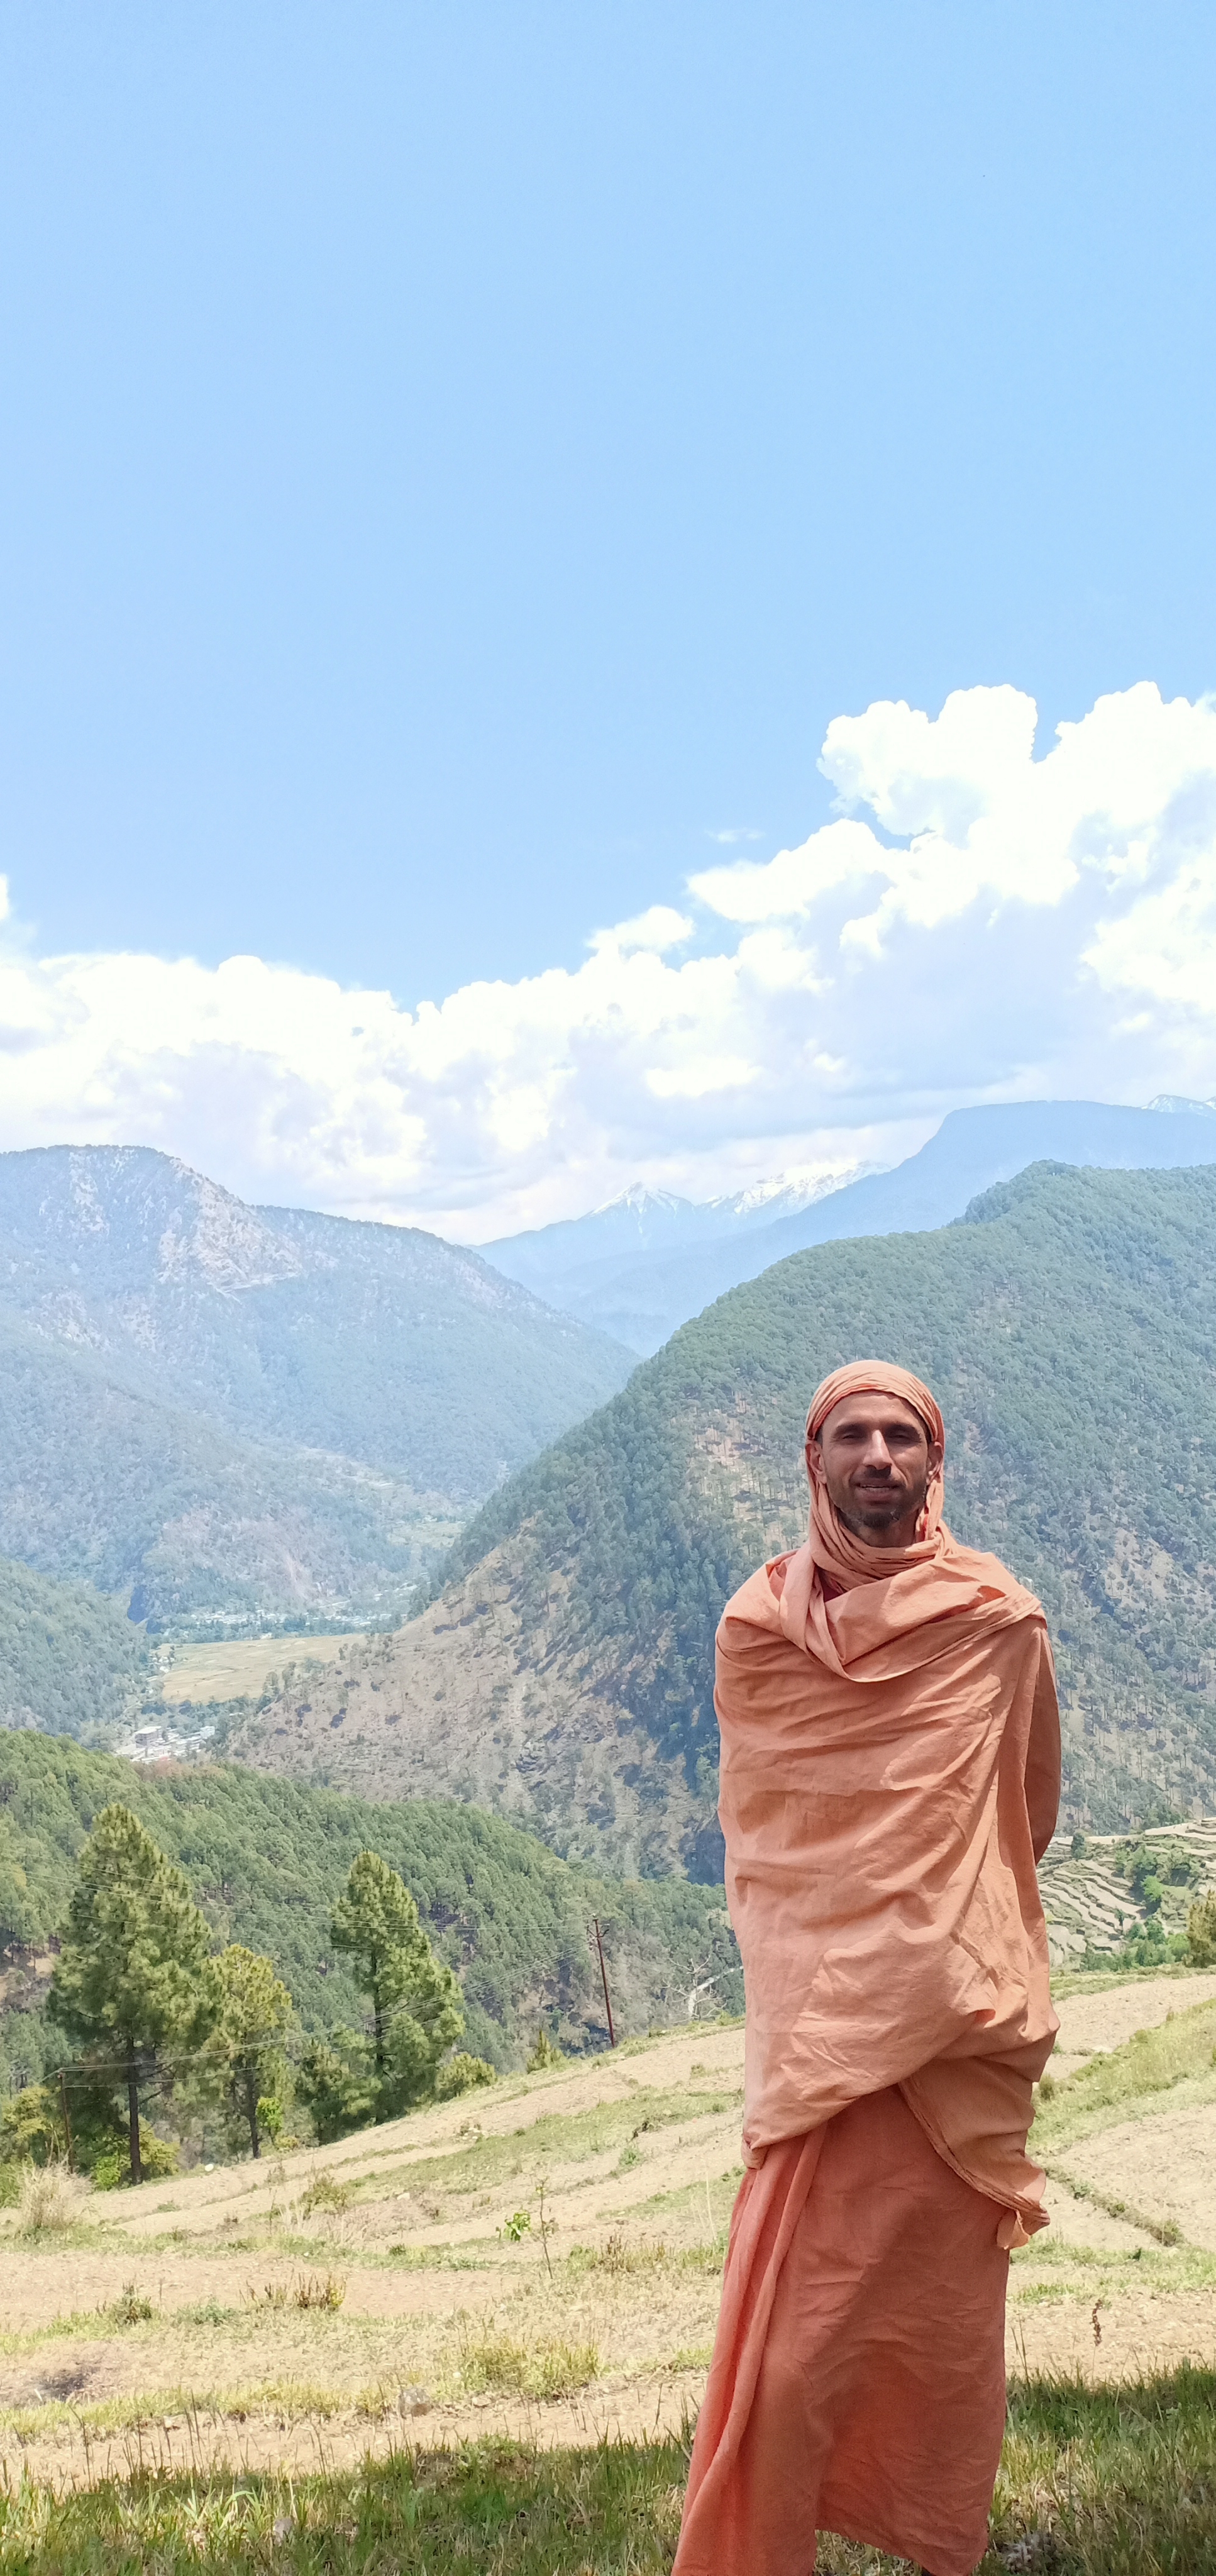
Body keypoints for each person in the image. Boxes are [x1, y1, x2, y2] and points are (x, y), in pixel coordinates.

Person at [672, 1360, 1060, 2576]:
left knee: (935, 2333)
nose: (877, 1456)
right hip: (819, 2040)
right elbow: (765, 1832)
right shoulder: (756, 1630)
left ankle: (934, 2536)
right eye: (852, 1436)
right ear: (815, 1459)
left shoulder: (995, 1620)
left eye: (900, 1436)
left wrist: (941, 1922)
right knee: (791, 2358)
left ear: (934, 1460)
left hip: (945, 2026)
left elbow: (1025, 1805)